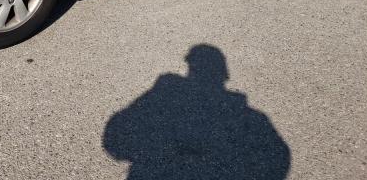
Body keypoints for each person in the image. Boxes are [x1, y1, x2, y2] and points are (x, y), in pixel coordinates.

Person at [103, 44, 290, 179]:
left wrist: (143, 157)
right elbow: (278, 160)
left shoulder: (166, 87)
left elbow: (114, 135)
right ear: (225, 72)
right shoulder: (254, 118)